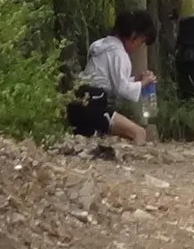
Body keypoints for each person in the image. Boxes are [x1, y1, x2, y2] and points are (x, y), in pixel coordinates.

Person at [66, 8, 158, 153]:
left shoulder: (102, 45)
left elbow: (111, 79)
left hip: (77, 101)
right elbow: (122, 89)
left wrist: (137, 81)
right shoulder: (119, 54)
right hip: (93, 103)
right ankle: (138, 167)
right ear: (134, 35)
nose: (139, 47)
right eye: (141, 42)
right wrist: (143, 84)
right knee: (139, 133)